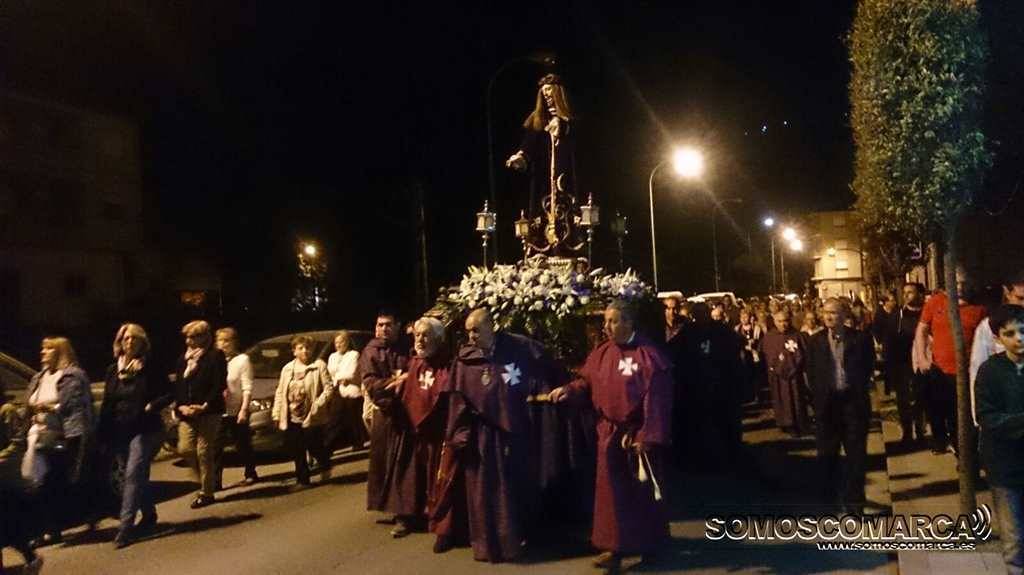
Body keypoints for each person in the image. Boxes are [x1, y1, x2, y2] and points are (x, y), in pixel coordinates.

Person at [550, 300, 673, 571]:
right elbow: (586, 382)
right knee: (611, 497)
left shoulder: (648, 356)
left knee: (640, 496)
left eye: (612, 321)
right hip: (608, 434)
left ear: (628, 322)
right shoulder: (602, 352)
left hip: (636, 437)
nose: (605, 326)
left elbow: (658, 399)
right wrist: (569, 390)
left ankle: (649, 547)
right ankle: (615, 547)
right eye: (605, 321)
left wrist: (647, 436)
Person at [436, 308, 548, 562]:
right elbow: (457, 401)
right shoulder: (464, 362)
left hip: (513, 432)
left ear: (491, 326)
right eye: (468, 332)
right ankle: (487, 545)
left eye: (476, 330)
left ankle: (514, 542)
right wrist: (458, 435)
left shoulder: (515, 349)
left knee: (512, 488)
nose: (471, 336)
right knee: (482, 492)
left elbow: (535, 371)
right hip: (480, 437)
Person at [97, 323, 173, 548]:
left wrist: (153, 405)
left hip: (146, 428)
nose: (129, 342)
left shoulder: (150, 367)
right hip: (120, 429)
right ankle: (149, 515)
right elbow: (108, 403)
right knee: (138, 477)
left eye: (134, 339)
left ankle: (125, 529)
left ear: (143, 343)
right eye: (125, 339)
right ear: (119, 343)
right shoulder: (113, 370)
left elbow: (170, 393)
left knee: (131, 474)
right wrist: (102, 433)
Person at [22, 337, 94, 547]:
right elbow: (29, 404)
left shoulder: (72, 376)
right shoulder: (39, 377)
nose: (43, 352)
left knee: (46, 484)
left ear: (60, 351)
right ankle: (44, 528)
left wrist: (52, 409)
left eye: (49, 349)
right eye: (42, 348)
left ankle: (47, 529)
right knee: (32, 483)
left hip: (58, 437)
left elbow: (77, 409)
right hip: (35, 437)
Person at [805, 298, 875, 513]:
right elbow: (811, 372)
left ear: (844, 315)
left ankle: (855, 503)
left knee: (856, 457)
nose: (828, 316)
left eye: (833, 313)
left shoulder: (860, 339)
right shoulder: (815, 341)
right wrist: (817, 400)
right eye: (825, 312)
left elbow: (868, 367)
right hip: (828, 407)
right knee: (827, 456)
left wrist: (857, 389)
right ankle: (829, 502)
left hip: (853, 405)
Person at [385, 317, 450, 540]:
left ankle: (439, 521)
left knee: (438, 478)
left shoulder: (448, 364)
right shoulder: (413, 363)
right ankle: (407, 516)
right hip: (412, 430)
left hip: (437, 432)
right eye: (417, 335)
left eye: (425, 335)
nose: (420, 340)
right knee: (409, 475)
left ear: (439, 339)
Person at [914, 270, 988, 454]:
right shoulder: (936, 302)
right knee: (940, 410)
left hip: (968, 371)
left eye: (964, 283)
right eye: (956, 283)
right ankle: (946, 443)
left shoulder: (979, 308)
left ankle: (964, 455)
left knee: (962, 416)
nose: (960, 287)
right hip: (940, 369)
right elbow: (921, 331)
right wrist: (922, 358)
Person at [975, 305, 1024, 575]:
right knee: (1014, 536)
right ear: (997, 338)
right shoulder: (989, 372)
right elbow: (988, 418)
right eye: (1010, 333)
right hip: (1005, 466)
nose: (1019, 339)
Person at [672, 302, 742, 471]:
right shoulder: (688, 332)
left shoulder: (721, 330)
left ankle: (727, 458)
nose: (701, 317)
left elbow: (735, 348)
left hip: (719, 384)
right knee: (701, 425)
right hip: (697, 386)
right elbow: (674, 351)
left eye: (703, 313)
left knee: (721, 423)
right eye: (698, 314)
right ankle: (704, 458)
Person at [359, 311, 410, 519]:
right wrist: (395, 383)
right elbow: (371, 383)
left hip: (408, 414)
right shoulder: (370, 353)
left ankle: (408, 508)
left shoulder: (406, 349)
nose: (384, 329)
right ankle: (396, 510)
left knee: (406, 465)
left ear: (397, 326)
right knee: (387, 463)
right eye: (380, 325)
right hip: (386, 415)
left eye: (388, 324)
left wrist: (407, 379)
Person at [506, 73, 576, 220]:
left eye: (549, 90)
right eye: (543, 92)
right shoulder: (538, 119)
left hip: (563, 174)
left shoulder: (568, 119)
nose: (546, 94)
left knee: (564, 209)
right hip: (542, 176)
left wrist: (560, 124)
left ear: (557, 91)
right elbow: (529, 144)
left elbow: (572, 138)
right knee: (541, 211)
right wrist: (520, 156)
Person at [173, 320, 227, 509]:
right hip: (187, 412)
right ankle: (206, 479)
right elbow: (179, 386)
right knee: (185, 448)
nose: (189, 341)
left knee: (204, 451)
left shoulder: (215, 356)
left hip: (209, 411)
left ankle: (207, 492)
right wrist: (180, 406)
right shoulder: (183, 360)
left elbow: (219, 384)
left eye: (194, 336)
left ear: (205, 337)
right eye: (187, 337)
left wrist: (204, 405)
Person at [271, 335, 335, 488]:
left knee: (314, 445)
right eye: (300, 348)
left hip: (312, 414)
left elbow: (329, 388)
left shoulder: (319, 366)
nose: (305, 351)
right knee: (297, 448)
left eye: (308, 348)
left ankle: (325, 464)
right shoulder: (287, 369)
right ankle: (303, 479)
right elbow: (280, 392)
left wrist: (318, 404)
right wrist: (276, 412)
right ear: (294, 351)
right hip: (292, 414)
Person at [873, 284, 927, 444]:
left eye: (910, 292)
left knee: (921, 399)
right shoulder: (898, 316)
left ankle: (920, 430)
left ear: (919, 294)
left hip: (923, 361)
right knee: (904, 400)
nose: (906, 295)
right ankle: (908, 432)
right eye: (904, 292)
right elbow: (889, 340)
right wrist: (890, 365)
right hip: (902, 363)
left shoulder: (926, 313)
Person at [970, 272, 1024, 426]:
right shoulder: (988, 326)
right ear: (1007, 293)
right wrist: (978, 419)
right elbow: (977, 367)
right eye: (1020, 298)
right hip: (1003, 407)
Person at [214, 327, 258, 487]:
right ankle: (215, 480)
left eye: (227, 341)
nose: (224, 344)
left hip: (236, 408)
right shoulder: (213, 360)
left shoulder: (242, 360)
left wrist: (244, 409)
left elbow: (247, 386)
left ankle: (250, 472)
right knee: (215, 447)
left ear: (234, 342)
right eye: (220, 340)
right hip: (218, 411)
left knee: (242, 443)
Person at [761, 309, 809, 436]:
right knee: (782, 399)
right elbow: (767, 355)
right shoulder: (769, 337)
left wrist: (795, 366)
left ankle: (799, 423)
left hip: (795, 375)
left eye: (786, 321)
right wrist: (777, 366)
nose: (783, 324)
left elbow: (802, 353)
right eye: (780, 321)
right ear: (775, 322)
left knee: (796, 399)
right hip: (778, 377)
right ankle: (784, 422)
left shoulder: (797, 335)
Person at [326, 330, 365, 453]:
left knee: (354, 419)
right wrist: (339, 378)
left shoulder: (354, 355)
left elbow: (351, 373)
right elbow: (329, 372)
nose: (338, 345)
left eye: (341, 342)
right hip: (337, 390)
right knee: (334, 418)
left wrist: (339, 376)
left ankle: (358, 442)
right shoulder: (332, 357)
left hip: (352, 391)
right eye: (336, 342)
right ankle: (327, 446)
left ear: (347, 342)